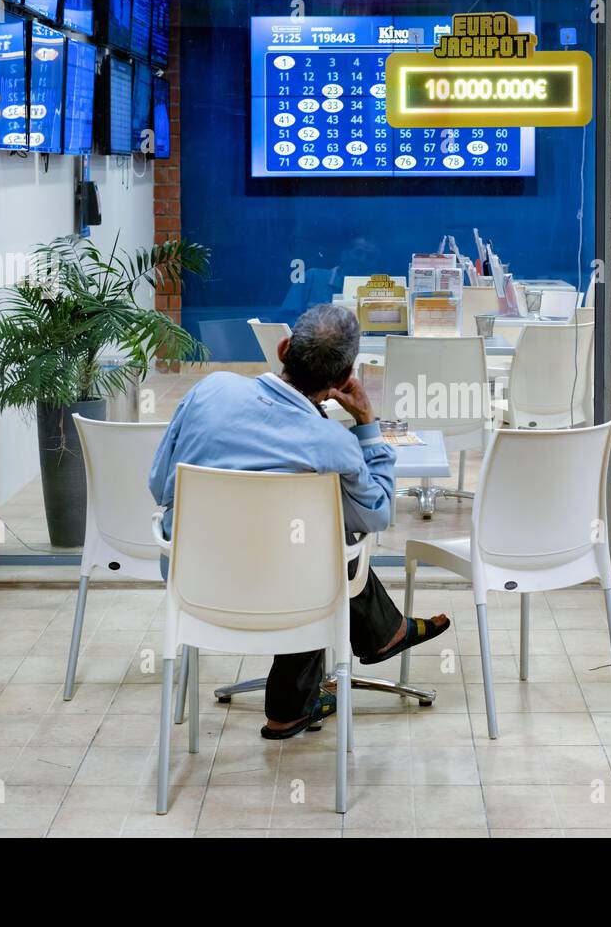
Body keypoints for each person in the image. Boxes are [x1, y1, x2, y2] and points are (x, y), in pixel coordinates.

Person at [149, 304, 451, 739]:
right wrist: (367, 424)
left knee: (302, 543)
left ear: (284, 348)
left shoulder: (209, 390)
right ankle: (353, 657)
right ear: (343, 378)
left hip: (194, 583)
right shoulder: (332, 442)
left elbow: (159, 484)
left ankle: (326, 681)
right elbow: (378, 515)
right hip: (290, 595)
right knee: (321, 547)